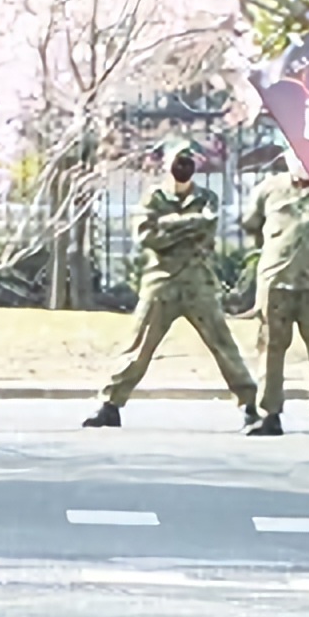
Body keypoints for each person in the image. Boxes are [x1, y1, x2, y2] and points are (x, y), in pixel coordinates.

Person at [82, 146, 262, 432]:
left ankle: (250, 405)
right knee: (138, 347)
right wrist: (189, 223)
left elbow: (208, 227)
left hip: (198, 282)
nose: (183, 167)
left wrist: (168, 226)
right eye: (179, 162)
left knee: (223, 345)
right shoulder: (153, 197)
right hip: (161, 282)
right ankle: (110, 404)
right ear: (167, 166)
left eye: (187, 163)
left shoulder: (207, 198)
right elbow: (147, 236)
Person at [242, 155, 309, 444]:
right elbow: (252, 224)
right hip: (276, 284)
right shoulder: (269, 189)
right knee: (271, 347)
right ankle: (269, 413)